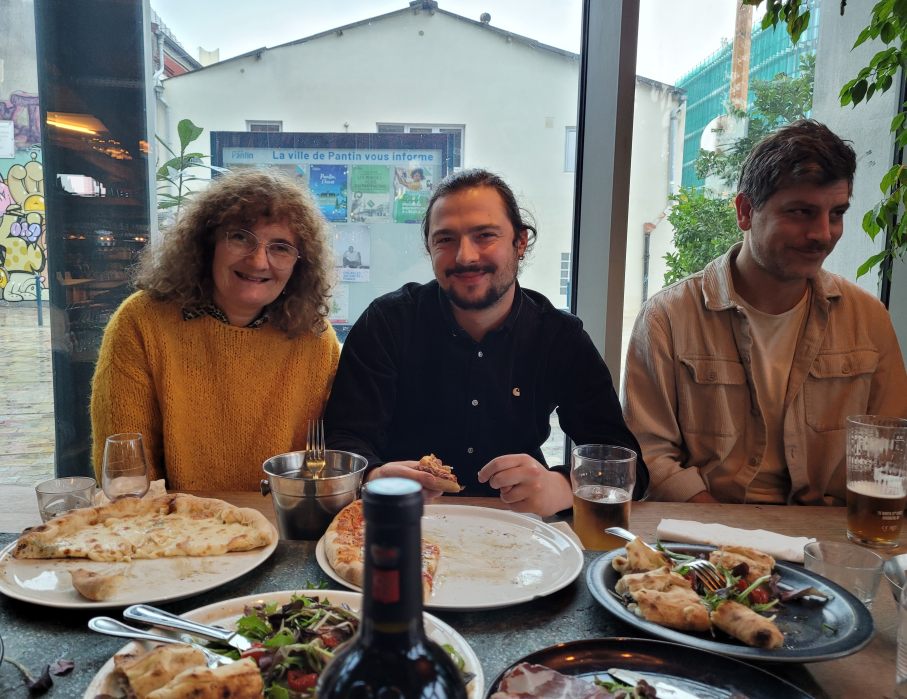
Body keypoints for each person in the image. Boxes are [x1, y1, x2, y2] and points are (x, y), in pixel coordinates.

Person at [325, 168, 647, 516]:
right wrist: (373, 477)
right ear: (429, 248)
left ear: (520, 242)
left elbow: (628, 468)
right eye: (445, 239)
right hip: (401, 522)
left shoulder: (559, 337)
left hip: (518, 528)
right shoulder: (387, 324)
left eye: (485, 236)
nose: (465, 256)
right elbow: (344, 442)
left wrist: (562, 486)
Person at [623, 119, 907, 506]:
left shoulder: (868, 318)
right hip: (706, 530)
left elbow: (890, 451)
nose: (823, 234)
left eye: (836, 213)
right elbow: (649, 455)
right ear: (745, 211)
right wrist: (723, 535)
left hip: (831, 531)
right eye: (801, 212)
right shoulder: (667, 318)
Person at [90, 168, 340, 490]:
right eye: (240, 237)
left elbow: (327, 468)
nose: (258, 261)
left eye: (280, 247)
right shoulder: (142, 322)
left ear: (299, 264)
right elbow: (126, 477)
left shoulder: (315, 339)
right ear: (208, 243)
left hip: (284, 517)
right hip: (172, 520)